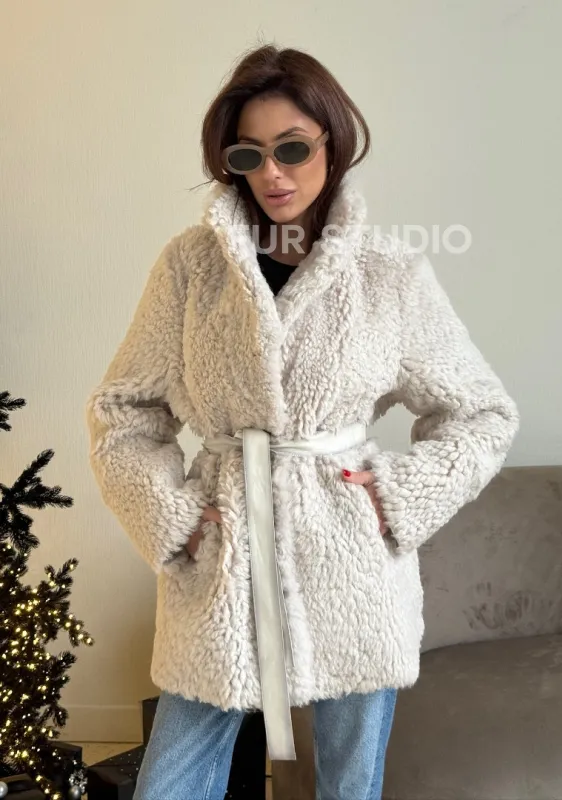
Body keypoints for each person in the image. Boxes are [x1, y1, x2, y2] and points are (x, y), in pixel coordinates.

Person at [85, 43, 520, 800]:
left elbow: (481, 411)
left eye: (292, 148)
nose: (272, 174)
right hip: (224, 557)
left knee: (348, 787)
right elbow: (124, 409)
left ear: (332, 143)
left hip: (351, 562)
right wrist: (174, 516)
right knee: (169, 784)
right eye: (248, 154)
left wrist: (395, 496)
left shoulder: (390, 273)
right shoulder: (191, 268)